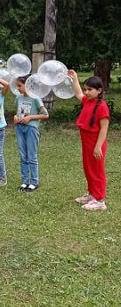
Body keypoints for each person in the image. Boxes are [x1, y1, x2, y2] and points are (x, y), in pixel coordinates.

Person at [68, 70, 109, 210]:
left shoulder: (102, 107)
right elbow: (78, 94)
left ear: (99, 90)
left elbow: (104, 129)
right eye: (85, 89)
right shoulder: (87, 101)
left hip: (96, 142)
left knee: (97, 170)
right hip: (86, 141)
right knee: (88, 168)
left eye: (90, 89)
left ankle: (99, 200)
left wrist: (98, 146)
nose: (86, 92)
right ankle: (92, 194)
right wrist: (75, 78)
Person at [13, 75, 49, 192]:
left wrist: (30, 117)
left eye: (20, 86)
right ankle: (25, 181)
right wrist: (15, 117)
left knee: (31, 156)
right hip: (20, 128)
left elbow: (45, 115)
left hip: (31, 129)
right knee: (23, 155)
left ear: (28, 85)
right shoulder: (18, 98)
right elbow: (18, 112)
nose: (17, 88)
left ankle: (34, 182)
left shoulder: (35, 99)